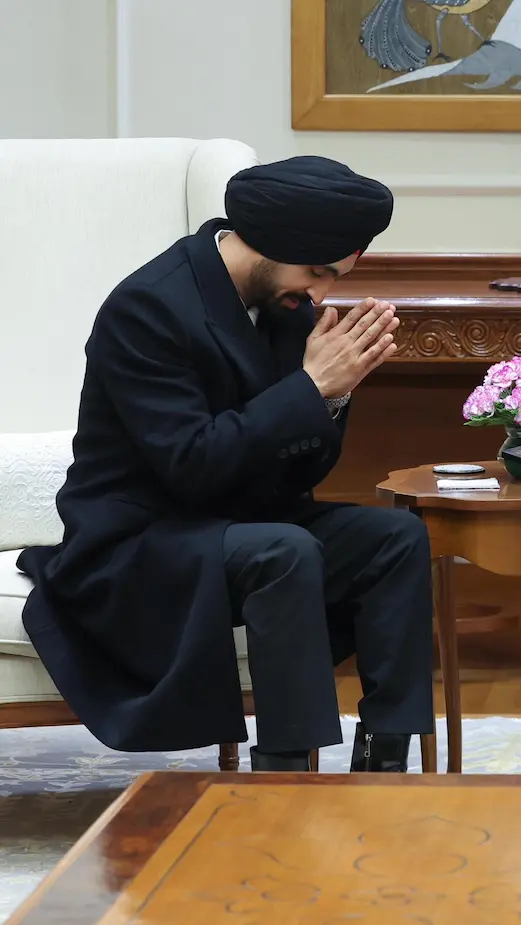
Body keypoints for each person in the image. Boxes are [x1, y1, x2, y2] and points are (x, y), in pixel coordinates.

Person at [17, 155, 435, 774]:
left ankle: (384, 762)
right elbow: (192, 465)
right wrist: (311, 390)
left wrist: (334, 395)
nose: (320, 294)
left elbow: (299, 473)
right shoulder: (148, 309)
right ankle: (285, 773)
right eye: (317, 272)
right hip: (142, 542)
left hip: (244, 524)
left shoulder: (287, 306)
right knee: (283, 550)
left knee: (396, 538)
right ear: (270, 242)